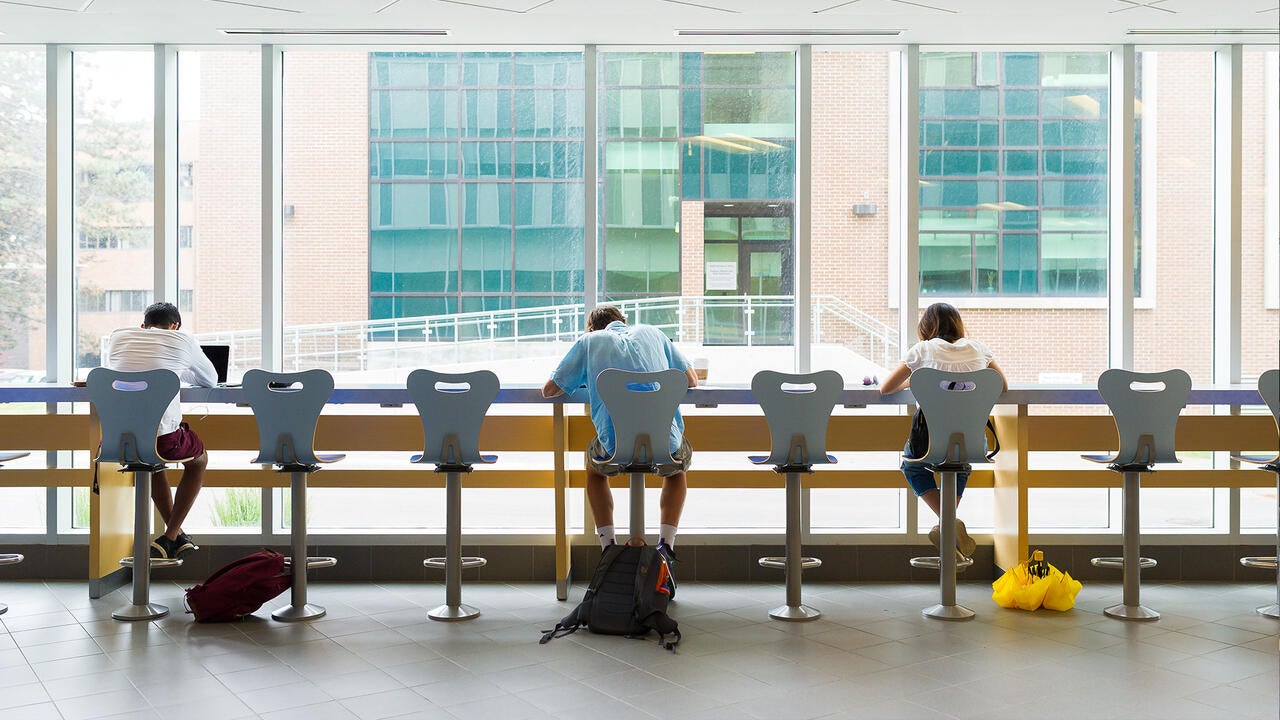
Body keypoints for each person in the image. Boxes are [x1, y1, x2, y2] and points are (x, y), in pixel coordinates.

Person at [542, 305, 697, 559]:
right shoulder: (653, 333)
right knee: (676, 467)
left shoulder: (589, 341)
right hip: (664, 445)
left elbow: (549, 390)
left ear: (591, 329)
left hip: (615, 448)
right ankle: (666, 546)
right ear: (623, 321)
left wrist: (586, 377)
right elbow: (691, 379)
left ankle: (608, 547)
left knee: (593, 467)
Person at [879, 302, 1007, 560]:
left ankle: (947, 521)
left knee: (912, 466)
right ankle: (950, 523)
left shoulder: (922, 349)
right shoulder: (979, 348)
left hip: (929, 439)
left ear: (926, 327)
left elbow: (886, 388)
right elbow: (1001, 385)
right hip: (972, 440)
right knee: (961, 464)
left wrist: (914, 381)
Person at [104, 302, 217, 560]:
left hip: (116, 441)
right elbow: (209, 380)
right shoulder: (183, 340)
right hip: (163, 441)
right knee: (199, 460)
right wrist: (176, 372)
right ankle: (172, 535)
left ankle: (175, 537)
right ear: (175, 326)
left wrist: (173, 371)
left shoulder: (118, 337)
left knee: (152, 459)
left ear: (143, 326)